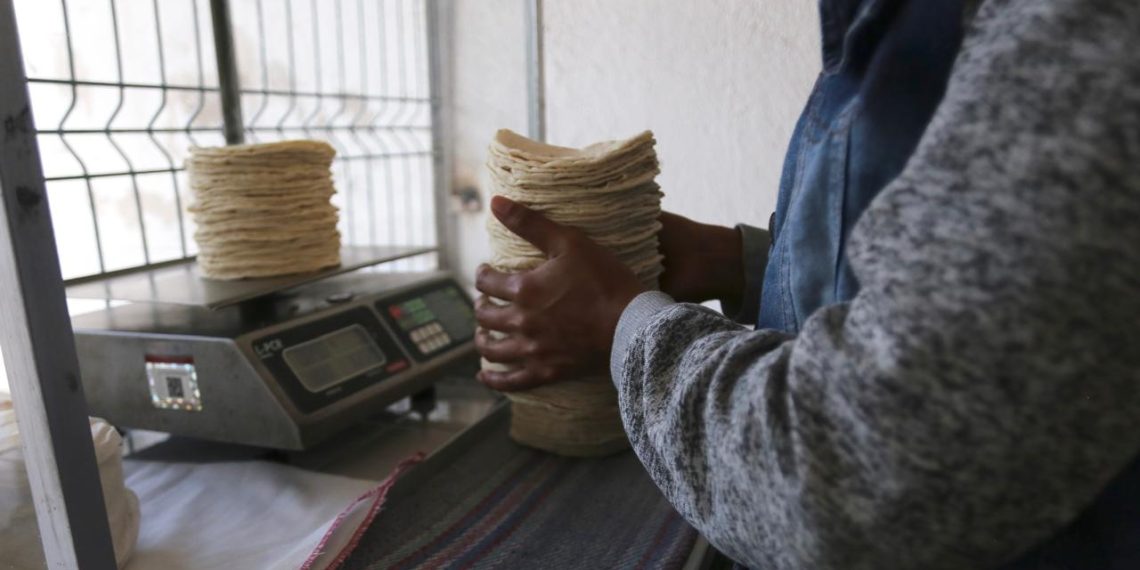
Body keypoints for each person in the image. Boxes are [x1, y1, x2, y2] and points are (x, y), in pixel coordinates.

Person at [474, 0, 1140, 568]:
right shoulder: (906, 20)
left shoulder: (1082, 33)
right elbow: (954, 279)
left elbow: (859, 473)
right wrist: (744, 263)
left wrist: (621, 326)